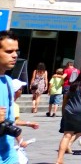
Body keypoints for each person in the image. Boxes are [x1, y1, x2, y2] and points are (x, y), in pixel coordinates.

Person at [0, 32, 33, 164]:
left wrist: (19, 140)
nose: (15, 55)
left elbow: (10, 120)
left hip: (8, 155)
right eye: (9, 51)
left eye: (16, 51)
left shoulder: (8, 81)